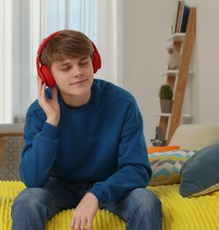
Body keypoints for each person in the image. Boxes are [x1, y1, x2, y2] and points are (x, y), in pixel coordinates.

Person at [11, 30, 162, 230]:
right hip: (59, 187)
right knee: (26, 201)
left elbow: (137, 169)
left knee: (146, 201)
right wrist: (52, 121)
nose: (78, 72)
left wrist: (96, 195)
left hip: (110, 184)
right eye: (66, 68)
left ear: (94, 63)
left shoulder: (123, 104)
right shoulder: (38, 112)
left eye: (83, 63)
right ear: (48, 75)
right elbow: (32, 179)